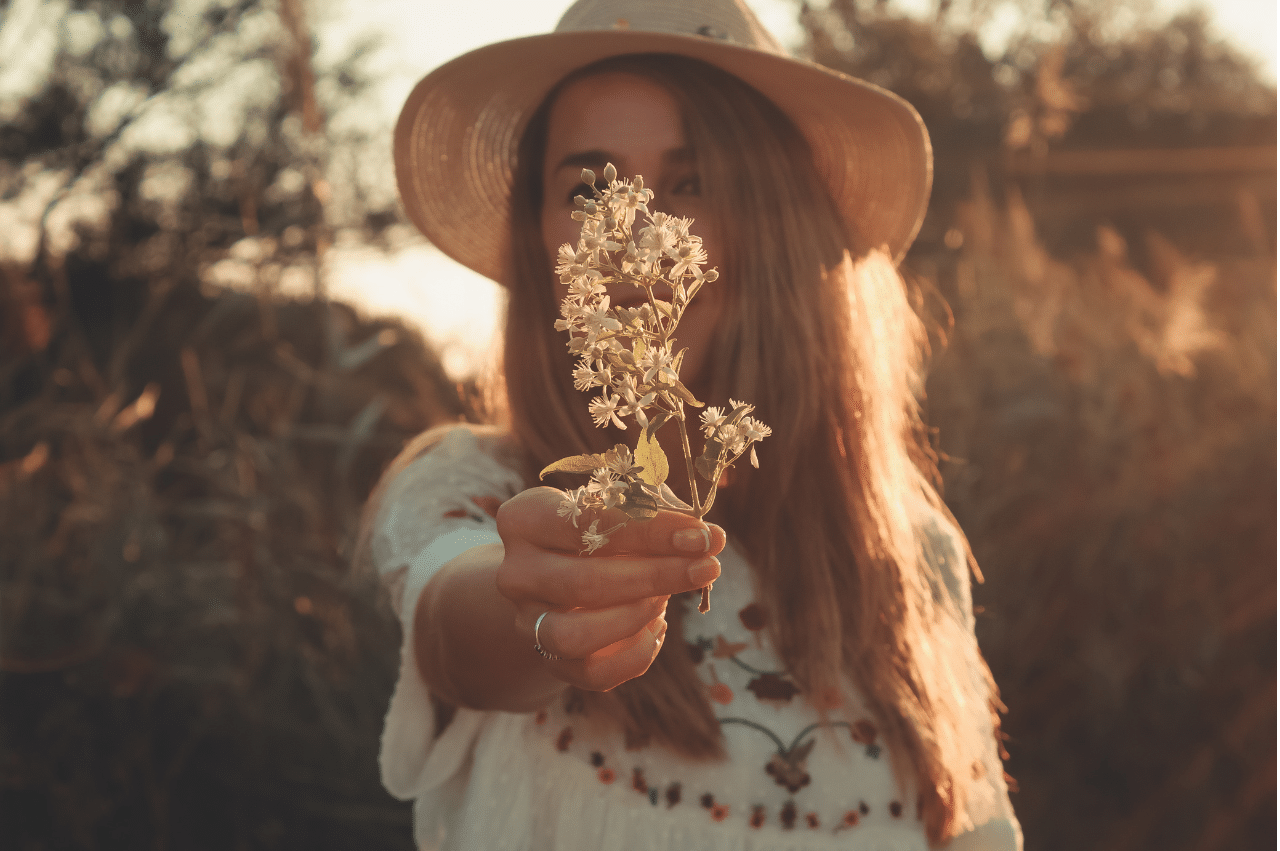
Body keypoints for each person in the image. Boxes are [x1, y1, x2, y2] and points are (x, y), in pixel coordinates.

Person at [362, 0, 1022, 848]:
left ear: (780, 224)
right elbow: (460, 632)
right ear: (540, 244)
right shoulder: (472, 489)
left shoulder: (912, 549)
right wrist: (543, 610)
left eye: (694, 180)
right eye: (589, 187)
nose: (637, 234)